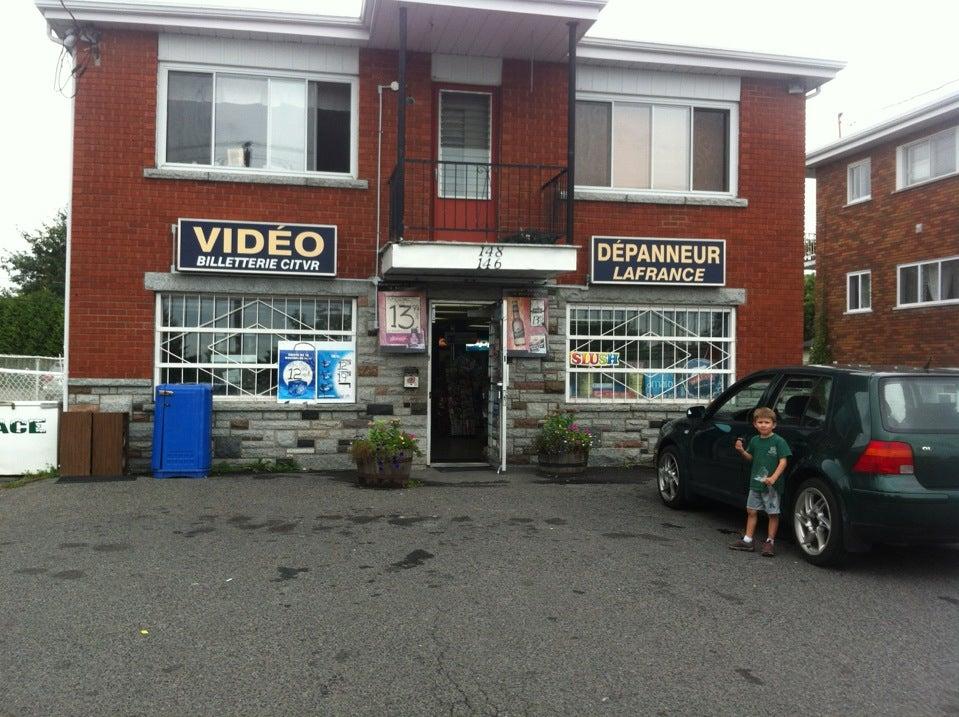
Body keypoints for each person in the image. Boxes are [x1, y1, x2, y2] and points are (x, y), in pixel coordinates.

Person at [729, 407, 792, 557]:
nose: (763, 425)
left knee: (772, 513)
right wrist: (742, 451)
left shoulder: (779, 441)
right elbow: (751, 458)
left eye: (767, 422)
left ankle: (770, 542)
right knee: (751, 510)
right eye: (760, 422)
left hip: (771, 485)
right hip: (756, 483)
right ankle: (748, 540)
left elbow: (783, 461)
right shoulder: (755, 441)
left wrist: (774, 478)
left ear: (774, 424)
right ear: (755, 424)